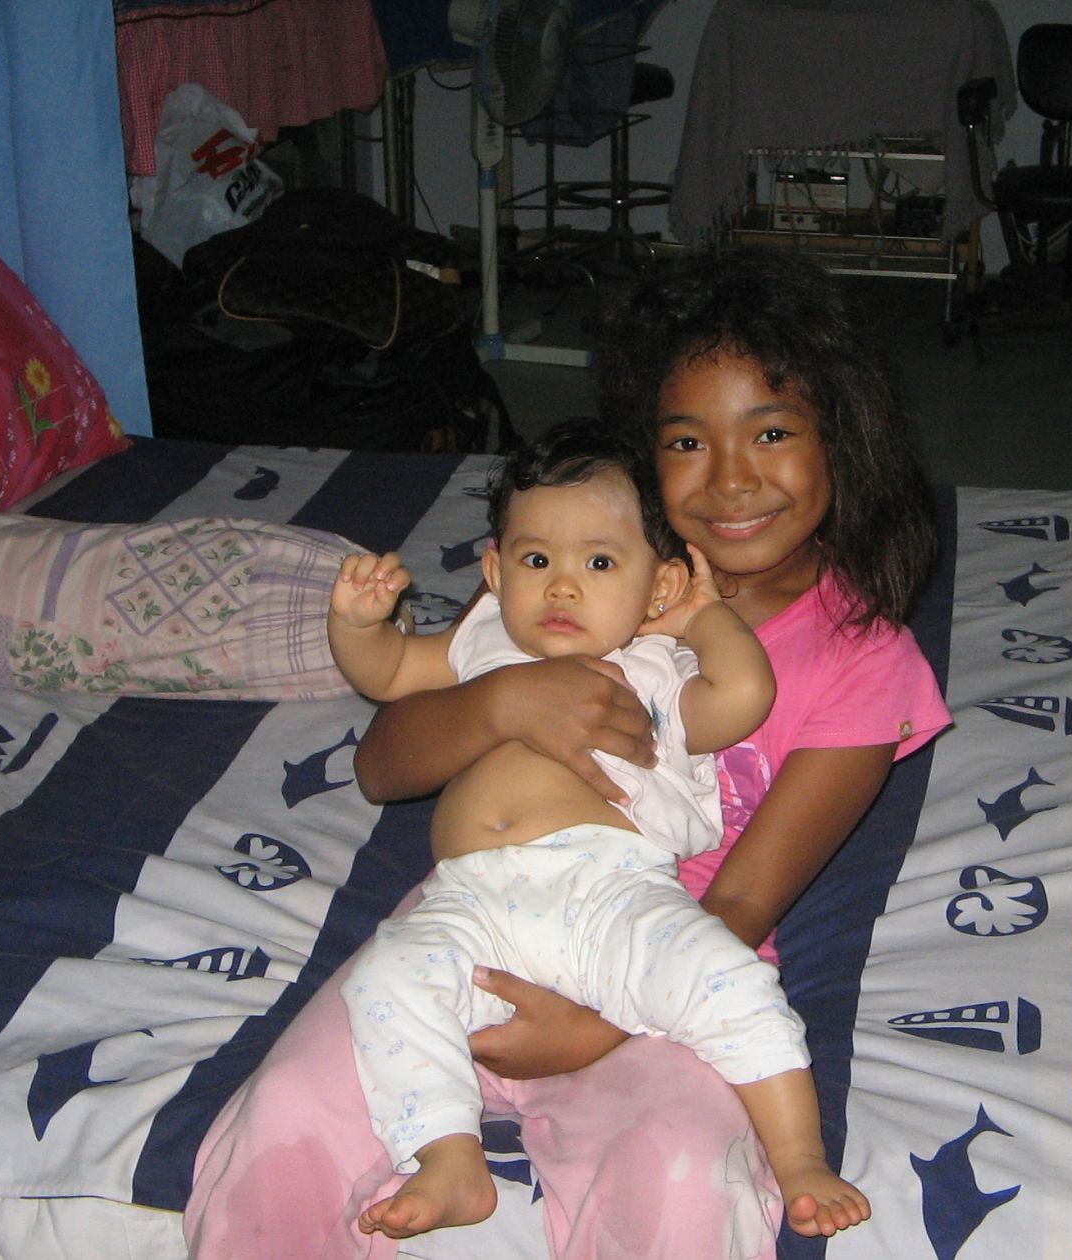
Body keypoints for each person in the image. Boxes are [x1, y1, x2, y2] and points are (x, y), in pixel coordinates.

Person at [183, 248, 951, 1259]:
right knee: (282, 1123)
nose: (731, 478)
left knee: (680, 1181)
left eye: (771, 432)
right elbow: (383, 768)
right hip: (480, 910)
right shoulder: (569, 567)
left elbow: (743, 900)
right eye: (687, 442)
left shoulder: (866, 662)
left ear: (842, 440)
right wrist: (502, 702)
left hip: (663, 956)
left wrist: (594, 1026)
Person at [325, 420, 870, 1241]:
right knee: (386, 977)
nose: (563, 588)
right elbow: (393, 672)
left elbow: (743, 698)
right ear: (494, 571)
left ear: (658, 588)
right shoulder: (484, 638)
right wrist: (360, 625)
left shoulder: (655, 667)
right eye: (536, 561)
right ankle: (446, 1156)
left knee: (727, 982)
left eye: (601, 564)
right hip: (471, 898)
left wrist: (702, 619)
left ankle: (799, 1157)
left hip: (609, 894)